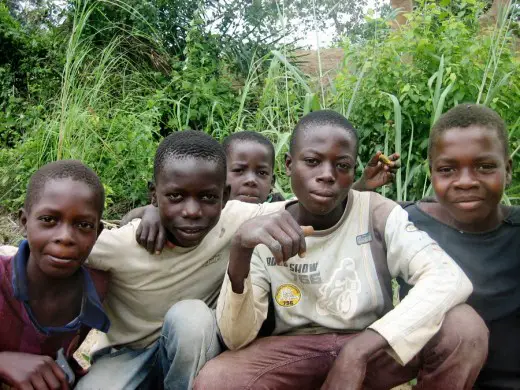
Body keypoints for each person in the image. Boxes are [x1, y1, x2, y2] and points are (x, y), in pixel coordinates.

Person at [192, 110, 489, 390]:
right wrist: (241, 251)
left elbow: (449, 278)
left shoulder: (377, 214)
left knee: (463, 327)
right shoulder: (264, 225)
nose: (327, 175)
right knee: (217, 380)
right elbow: (236, 337)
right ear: (288, 164)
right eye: (312, 161)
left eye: (342, 165)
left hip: (374, 346)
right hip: (294, 351)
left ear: (352, 170)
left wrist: (358, 351)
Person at [75, 130, 285, 390]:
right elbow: (48, 251)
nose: (192, 211)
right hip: (125, 354)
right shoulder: (124, 243)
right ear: (154, 194)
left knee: (191, 317)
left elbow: (314, 207)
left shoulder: (237, 218)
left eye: (207, 197)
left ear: (224, 195)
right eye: (176, 196)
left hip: (193, 353)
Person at [397, 104, 518, 389]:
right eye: (448, 169)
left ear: (507, 170)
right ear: (432, 173)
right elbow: (337, 216)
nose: (465, 182)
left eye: (485, 167)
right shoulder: (405, 225)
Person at [0, 160, 110, 389]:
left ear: (98, 232)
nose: (65, 237)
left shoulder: (96, 287)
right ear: (24, 221)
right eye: (49, 220)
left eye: (83, 225)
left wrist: (149, 211)